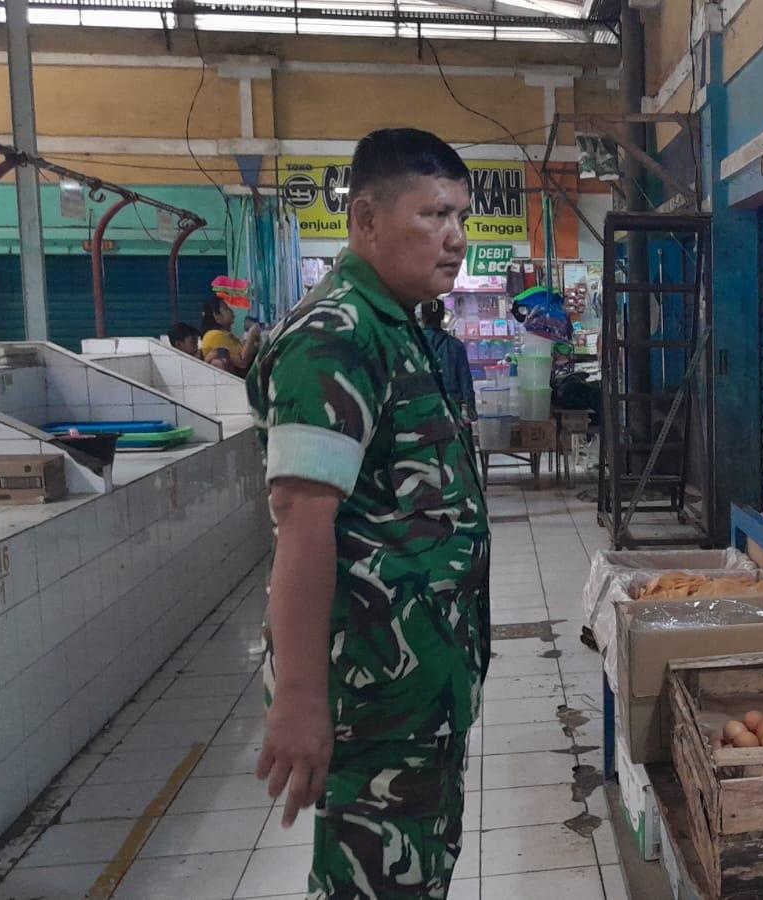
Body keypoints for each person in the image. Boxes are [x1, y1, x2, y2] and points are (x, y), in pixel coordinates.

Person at [246, 128, 488, 899]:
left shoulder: (399, 325)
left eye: (461, 218)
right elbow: (302, 520)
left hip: (417, 684)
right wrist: (301, 698)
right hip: (373, 692)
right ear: (367, 220)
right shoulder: (337, 336)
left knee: (416, 871)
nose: (455, 238)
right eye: (435, 215)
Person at [419, 299, 477, 428]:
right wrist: (470, 408)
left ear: (422, 317)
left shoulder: (413, 343)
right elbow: (465, 380)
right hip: (452, 409)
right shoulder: (456, 345)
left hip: (421, 410)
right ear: (442, 317)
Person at [200, 295, 262, 374]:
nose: (231, 311)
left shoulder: (227, 335)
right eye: (226, 309)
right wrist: (251, 335)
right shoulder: (213, 335)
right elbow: (242, 362)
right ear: (217, 316)